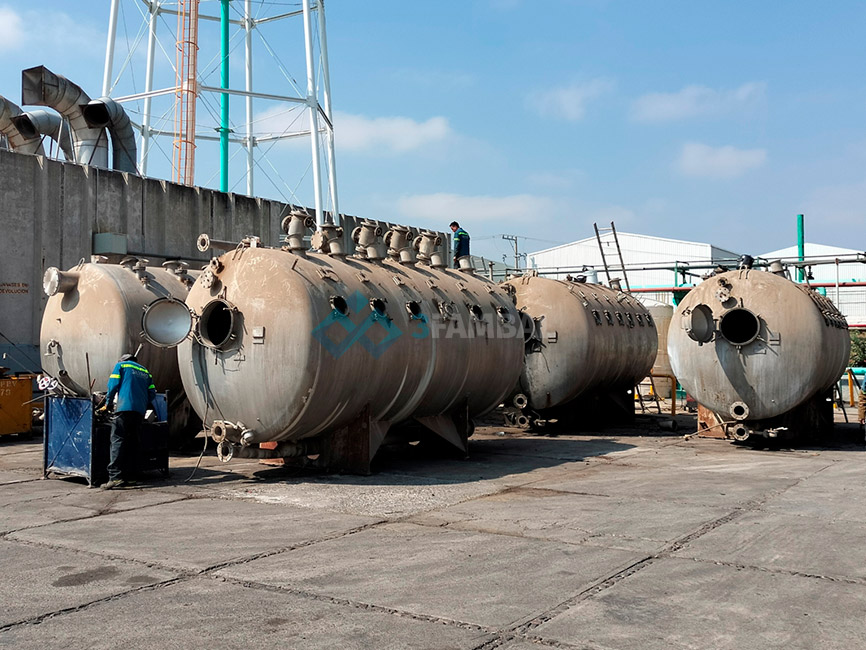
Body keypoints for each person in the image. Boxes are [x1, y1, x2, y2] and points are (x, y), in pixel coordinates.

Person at [101, 353, 156, 490]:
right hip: (139, 412)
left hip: (123, 409)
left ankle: (115, 478)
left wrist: (108, 403)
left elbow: (112, 385)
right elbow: (152, 393)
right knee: (133, 442)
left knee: (117, 441)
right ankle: (131, 477)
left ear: (123, 359)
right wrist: (141, 403)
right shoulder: (145, 371)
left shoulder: (121, 366)